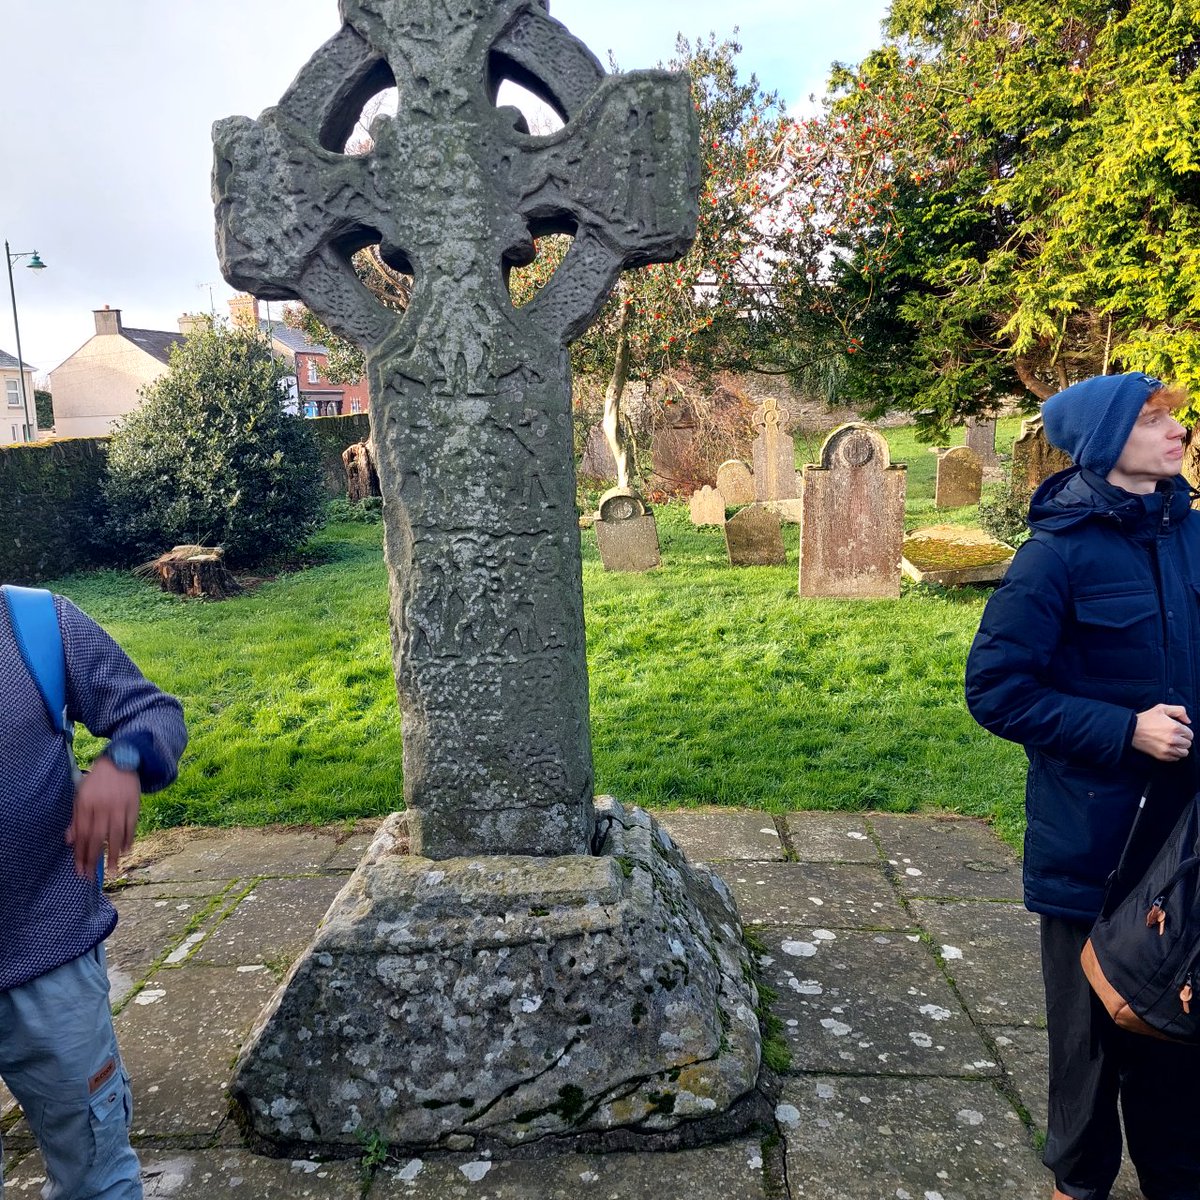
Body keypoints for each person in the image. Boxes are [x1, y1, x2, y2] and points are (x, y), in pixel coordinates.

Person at [966, 372, 1200, 1200]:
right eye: (1152, 418)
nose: (1176, 428)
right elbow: (995, 690)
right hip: (1095, 847)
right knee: (1089, 1042)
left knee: (1182, 1022)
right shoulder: (1055, 556)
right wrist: (1125, 729)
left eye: (1171, 414)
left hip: (1188, 844)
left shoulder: (1191, 536)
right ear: (1105, 442)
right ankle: (1080, 1184)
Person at [0, 590, 187, 1200]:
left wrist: (123, 761)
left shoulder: (34, 623)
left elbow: (154, 713)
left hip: (47, 955)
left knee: (95, 1179)